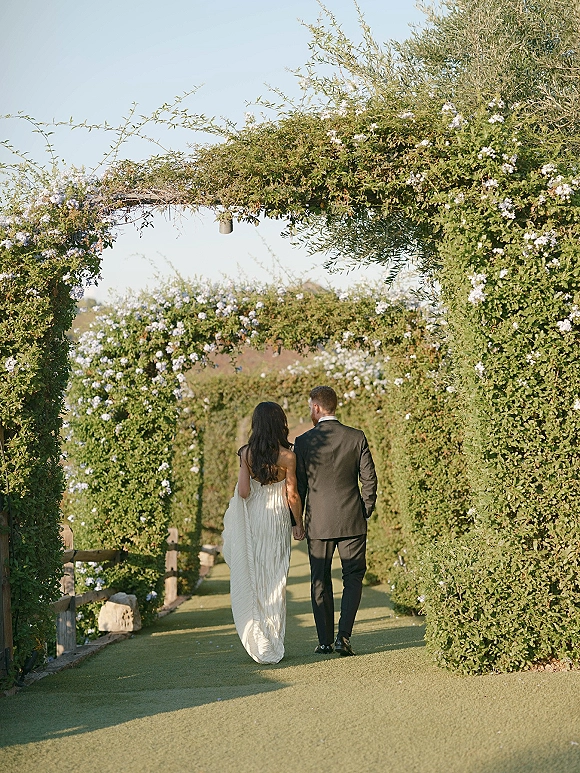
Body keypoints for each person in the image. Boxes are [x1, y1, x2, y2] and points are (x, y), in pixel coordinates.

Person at [294, 385, 377, 656]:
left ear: (317, 408)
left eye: (310, 407)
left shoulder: (304, 442)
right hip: (352, 518)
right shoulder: (356, 437)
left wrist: (298, 520)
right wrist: (365, 508)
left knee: (320, 579)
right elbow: (369, 479)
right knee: (352, 577)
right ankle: (344, 637)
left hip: (318, 521)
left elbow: (300, 487)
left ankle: (324, 641)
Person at [222, 402, 304, 664]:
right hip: (277, 518)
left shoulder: (246, 454)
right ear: (280, 423)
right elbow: (292, 494)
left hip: (255, 519)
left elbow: (244, 493)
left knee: (257, 578)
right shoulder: (288, 456)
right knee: (276, 579)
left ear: (256, 424)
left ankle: (259, 639)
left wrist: (243, 471)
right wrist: (298, 523)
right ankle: (274, 638)